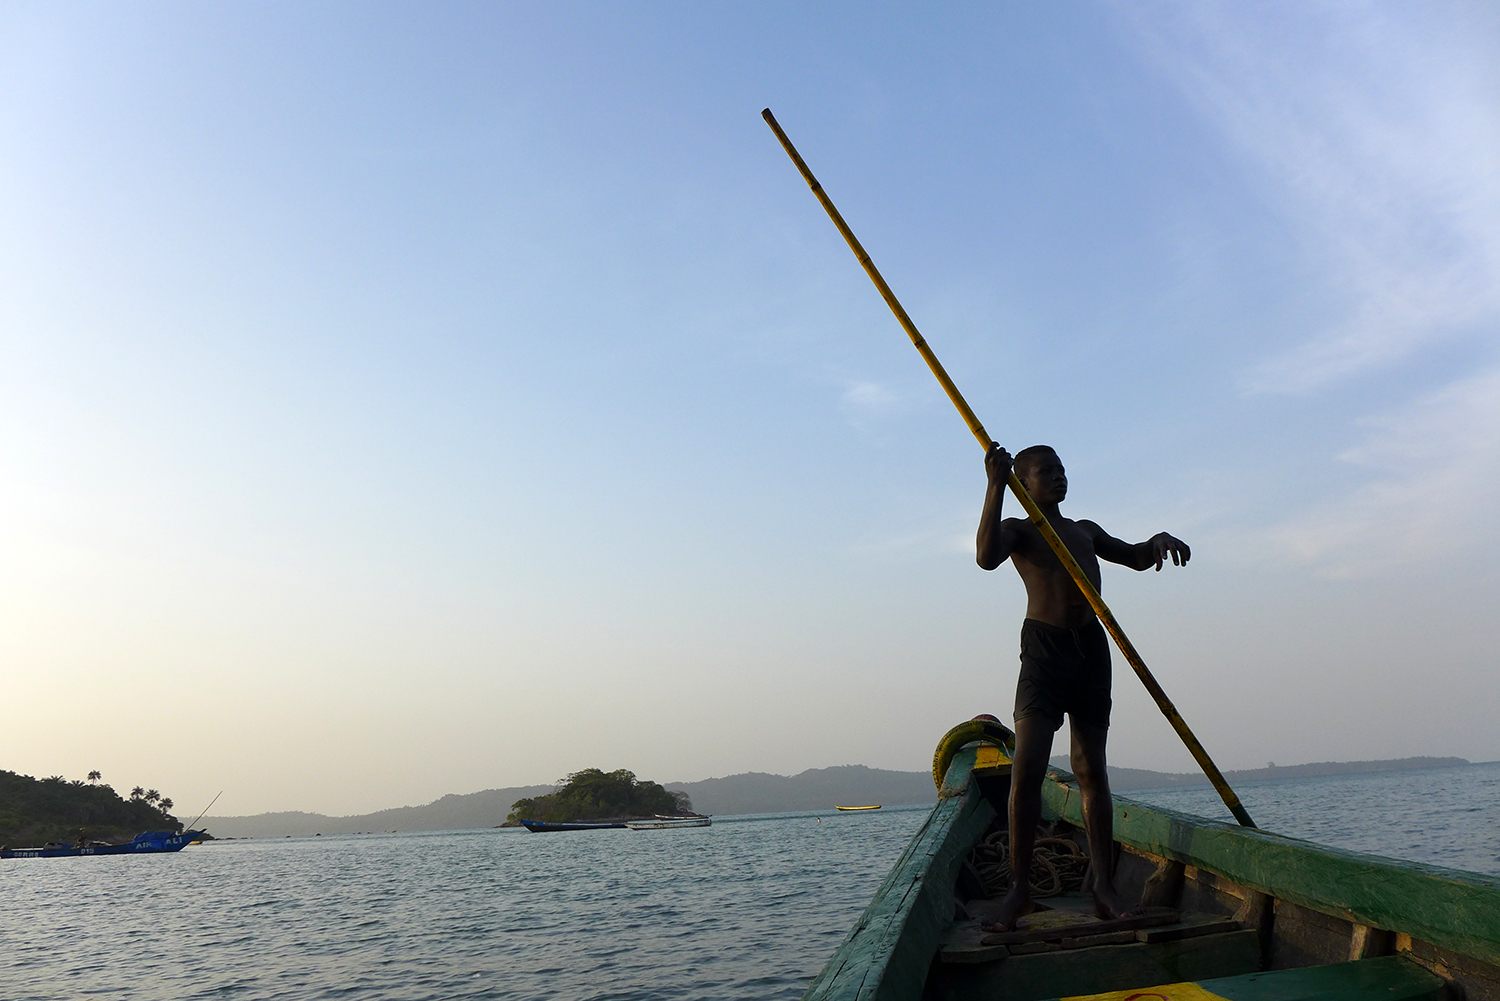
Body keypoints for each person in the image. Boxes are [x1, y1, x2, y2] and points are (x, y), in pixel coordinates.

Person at [976, 443, 1190, 931]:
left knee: (1091, 768)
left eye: (1062, 470)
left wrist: (1156, 540)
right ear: (1022, 482)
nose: (1058, 477)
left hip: (1091, 651)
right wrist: (993, 485)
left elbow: (1134, 558)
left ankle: (1103, 887)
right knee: (1027, 767)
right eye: (1045, 472)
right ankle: (1019, 891)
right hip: (1044, 654)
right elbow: (986, 558)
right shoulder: (1018, 531)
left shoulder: (1084, 531)